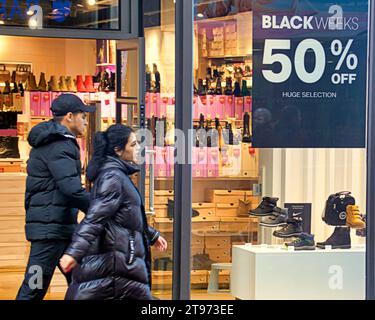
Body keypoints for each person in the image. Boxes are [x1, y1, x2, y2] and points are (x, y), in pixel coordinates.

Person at [59, 124, 168, 300]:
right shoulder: (113, 177)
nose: (138, 148)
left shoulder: (117, 174)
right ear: (118, 150)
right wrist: (73, 253)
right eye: (133, 145)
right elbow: (95, 218)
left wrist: (151, 234)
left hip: (120, 259)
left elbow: (125, 216)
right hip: (118, 262)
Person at [16, 94, 96, 300]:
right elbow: (71, 189)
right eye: (82, 116)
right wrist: (98, 208)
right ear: (69, 116)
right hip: (49, 233)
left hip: (59, 228)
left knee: (84, 282)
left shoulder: (55, 141)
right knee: (34, 287)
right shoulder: (60, 145)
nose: (86, 120)